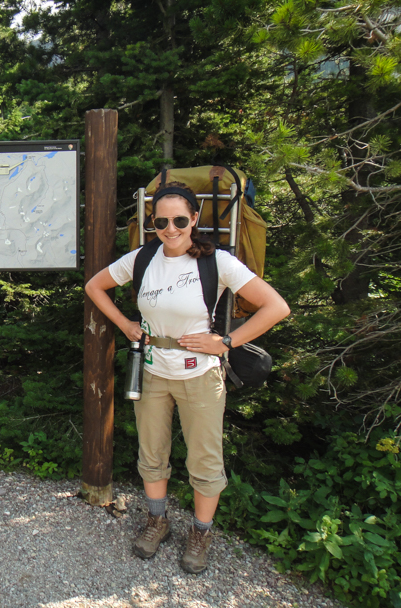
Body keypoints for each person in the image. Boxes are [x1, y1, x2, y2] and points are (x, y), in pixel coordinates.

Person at [85, 183, 289, 574]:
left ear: (194, 219)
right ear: (153, 223)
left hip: (201, 377)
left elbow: (276, 306)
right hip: (152, 371)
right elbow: (95, 286)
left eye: (180, 219)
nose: (171, 228)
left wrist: (226, 342)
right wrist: (126, 324)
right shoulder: (143, 258)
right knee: (152, 453)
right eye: (161, 221)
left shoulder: (218, 263)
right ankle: (157, 521)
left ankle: (200, 532)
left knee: (206, 460)